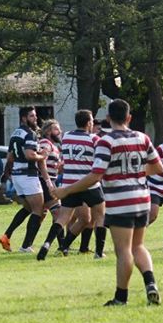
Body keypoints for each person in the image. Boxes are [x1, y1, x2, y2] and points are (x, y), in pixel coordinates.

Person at [54, 99, 163, 306]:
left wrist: (66, 190)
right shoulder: (142, 137)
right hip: (142, 199)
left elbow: (95, 175)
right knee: (138, 246)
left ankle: (121, 297)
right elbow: (158, 167)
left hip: (121, 201)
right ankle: (151, 284)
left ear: (107, 118)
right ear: (129, 117)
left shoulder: (106, 141)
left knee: (123, 250)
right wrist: (135, 174)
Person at [38, 111, 106, 261]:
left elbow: (66, 157)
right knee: (100, 216)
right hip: (88, 184)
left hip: (68, 184)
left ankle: (47, 245)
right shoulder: (95, 139)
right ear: (88, 123)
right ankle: (99, 252)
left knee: (63, 218)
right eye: (92, 121)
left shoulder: (66, 136)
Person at [0, 107, 48, 253]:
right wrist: (42, 155)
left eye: (35, 115)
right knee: (39, 210)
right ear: (23, 118)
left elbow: (10, 157)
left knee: (28, 208)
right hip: (28, 175)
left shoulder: (15, 133)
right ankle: (26, 246)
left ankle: (6, 235)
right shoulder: (30, 134)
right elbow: (29, 155)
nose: (35, 118)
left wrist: (7, 174)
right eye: (32, 116)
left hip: (17, 175)